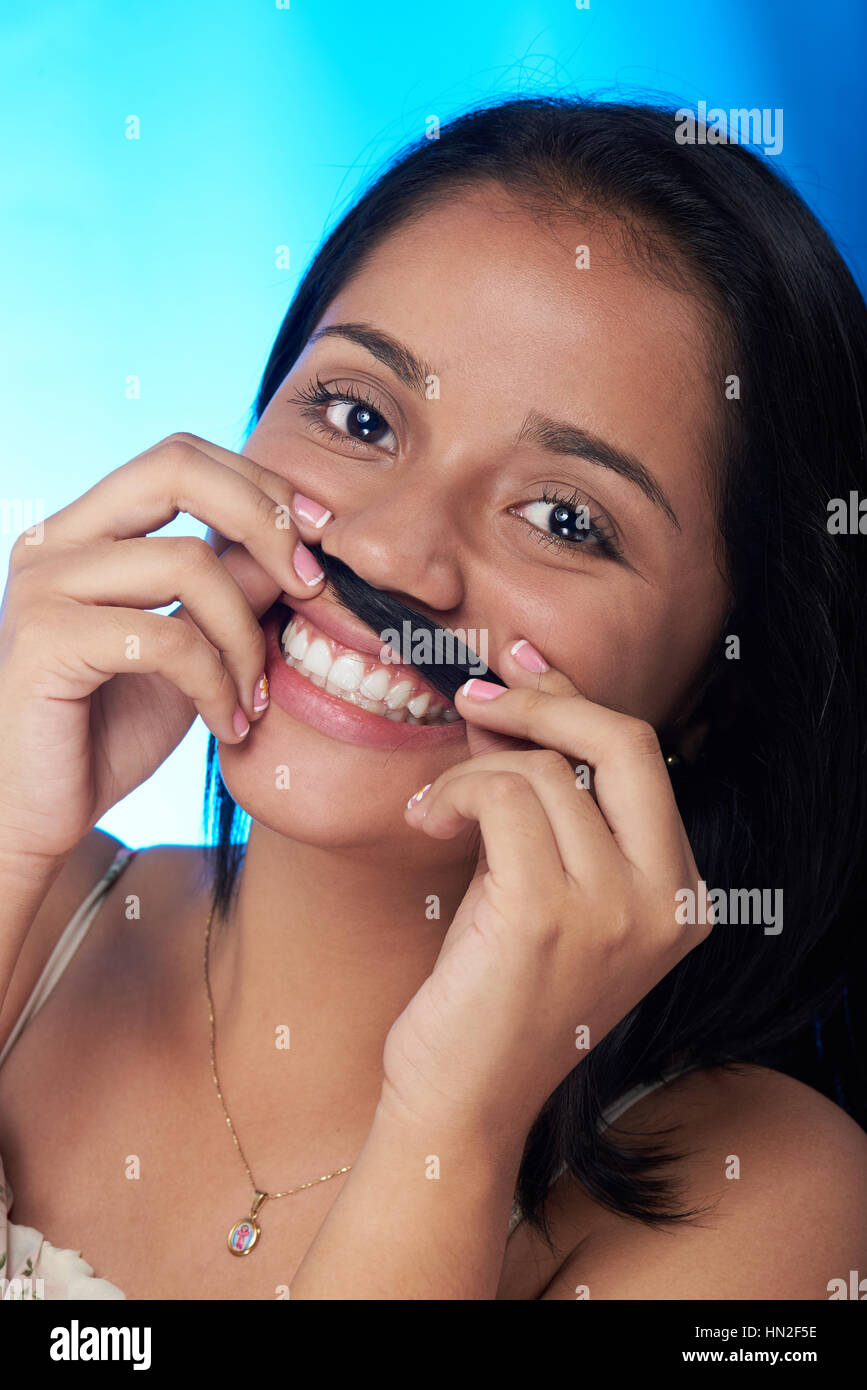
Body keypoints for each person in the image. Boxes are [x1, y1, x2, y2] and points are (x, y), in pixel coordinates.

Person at [1, 96, 866, 1301]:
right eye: (359, 417)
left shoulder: (780, 1202)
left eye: (565, 519)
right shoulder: (31, 911)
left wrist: (448, 1132)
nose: (402, 553)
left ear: (716, 690)